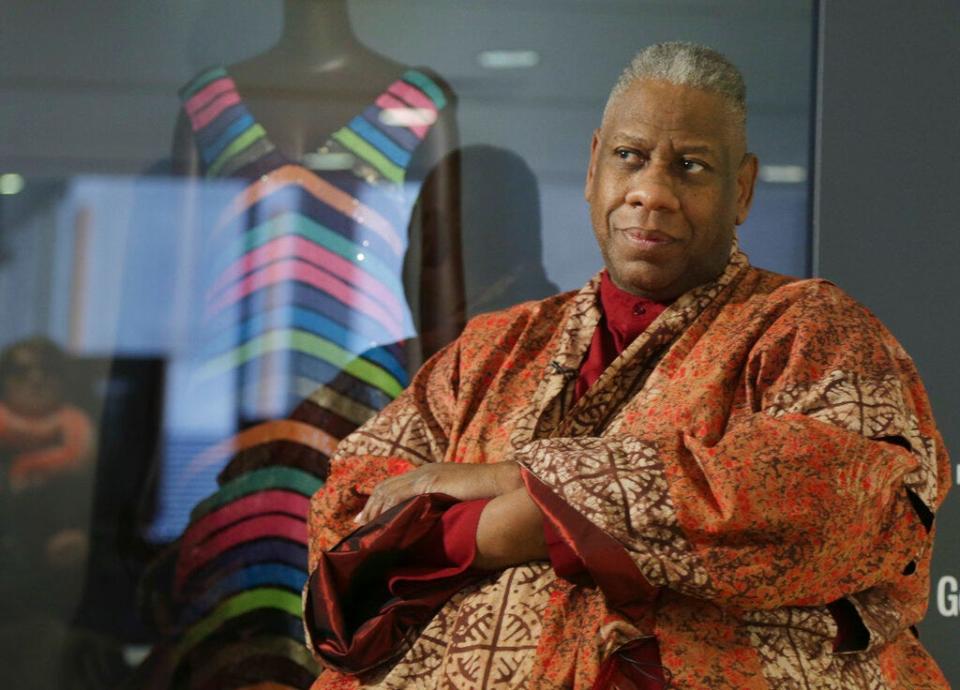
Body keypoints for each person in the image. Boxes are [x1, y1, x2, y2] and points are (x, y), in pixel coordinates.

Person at [302, 42, 950, 689]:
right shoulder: (494, 347)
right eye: (630, 157)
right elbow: (352, 503)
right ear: (593, 168)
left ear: (742, 190)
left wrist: (517, 507)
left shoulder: (808, 326)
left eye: (691, 166)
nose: (652, 193)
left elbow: (840, 496)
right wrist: (558, 530)